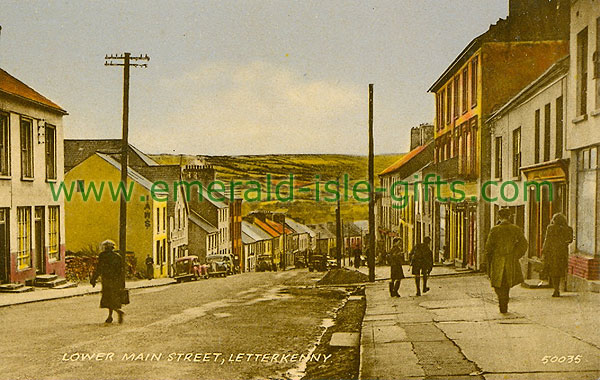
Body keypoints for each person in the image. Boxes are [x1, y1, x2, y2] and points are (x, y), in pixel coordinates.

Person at [484, 208, 528, 313]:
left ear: (499, 217)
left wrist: (488, 260)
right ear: (509, 216)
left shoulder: (494, 230)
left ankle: (502, 304)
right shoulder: (515, 229)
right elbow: (524, 244)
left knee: (497, 284)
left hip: (497, 261)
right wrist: (515, 255)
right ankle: (504, 304)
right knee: (506, 284)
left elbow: (488, 248)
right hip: (510, 262)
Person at [90, 240, 125, 324]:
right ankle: (111, 316)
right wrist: (122, 282)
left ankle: (116, 313)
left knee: (108, 298)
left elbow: (99, 268)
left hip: (106, 279)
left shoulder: (103, 256)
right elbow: (121, 271)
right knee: (112, 298)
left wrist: (94, 279)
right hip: (116, 280)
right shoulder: (118, 256)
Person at [541, 213, 573, 297]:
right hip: (562, 253)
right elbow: (570, 240)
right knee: (560, 270)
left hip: (552, 253)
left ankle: (556, 289)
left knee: (553, 271)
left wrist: (544, 251)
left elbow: (547, 240)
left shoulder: (550, 228)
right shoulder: (568, 229)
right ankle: (559, 288)